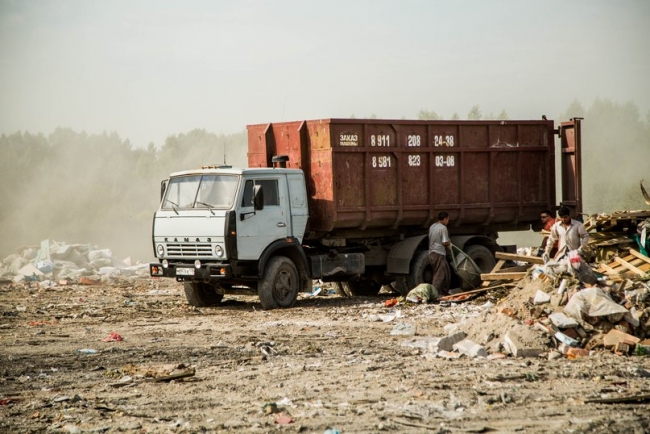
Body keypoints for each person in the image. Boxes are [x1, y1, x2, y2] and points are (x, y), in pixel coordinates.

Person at [429, 211, 451, 294]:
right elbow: (445, 242)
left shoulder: (432, 226)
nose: (448, 221)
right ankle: (434, 293)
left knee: (440, 272)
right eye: (448, 219)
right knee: (439, 274)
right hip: (439, 253)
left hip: (431, 253)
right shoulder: (443, 228)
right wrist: (449, 243)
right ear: (445, 219)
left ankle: (443, 291)